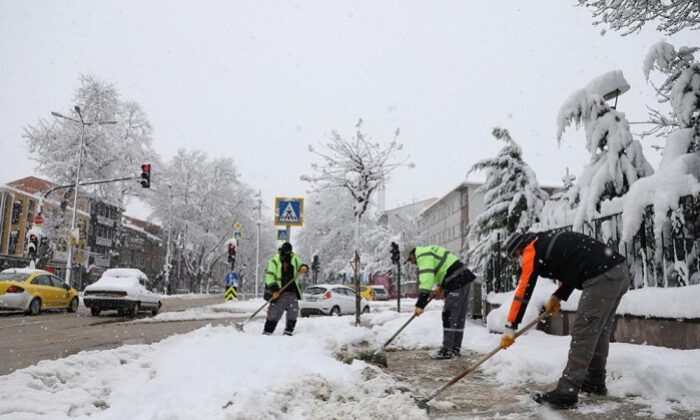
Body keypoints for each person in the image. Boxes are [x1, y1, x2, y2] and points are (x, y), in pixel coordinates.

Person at [499, 230, 629, 410]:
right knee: (598, 331)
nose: (519, 261)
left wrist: (510, 327)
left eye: (516, 256)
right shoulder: (545, 243)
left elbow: (523, 291)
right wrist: (558, 296)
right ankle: (595, 381)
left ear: (520, 248)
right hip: (618, 272)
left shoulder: (532, 250)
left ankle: (567, 392)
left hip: (602, 276)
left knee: (583, 332)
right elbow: (573, 265)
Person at [405, 246, 476, 359]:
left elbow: (426, 282)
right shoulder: (428, 251)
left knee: (449, 315)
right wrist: (441, 286)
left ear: (412, 255)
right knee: (457, 317)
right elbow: (444, 267)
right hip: (463, 278)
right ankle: (454, 348)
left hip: (456, 280)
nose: (414, 264)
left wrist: (420, 305)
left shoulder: (423, 256)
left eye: (412, 261)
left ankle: (447, 350)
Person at [263, 242, 308, 336]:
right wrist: (274, 289)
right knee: (274, 313)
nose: (287, 254)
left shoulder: (294, 259)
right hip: (279, 292)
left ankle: (288, 331)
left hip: (292, 292)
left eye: (289, 252)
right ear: (281, 251)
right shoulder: (274, 261)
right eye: (286, 252)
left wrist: (304, 268)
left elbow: (301, 265)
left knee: (293, 313)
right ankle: (267, 332)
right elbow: (269, 277)